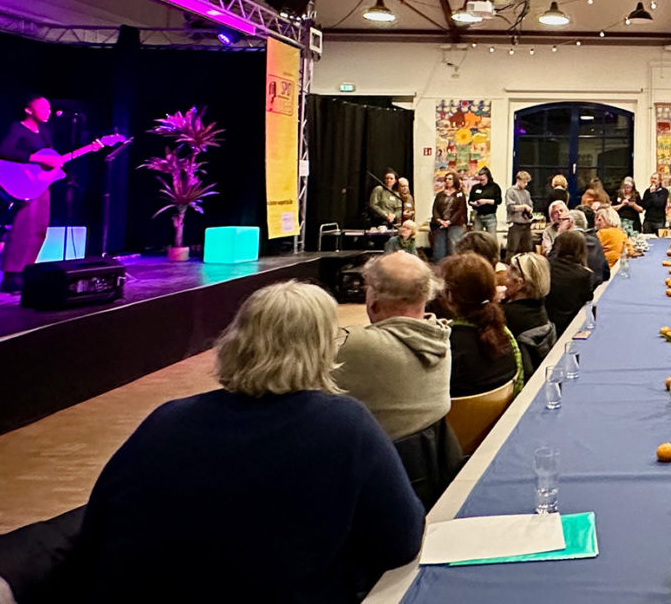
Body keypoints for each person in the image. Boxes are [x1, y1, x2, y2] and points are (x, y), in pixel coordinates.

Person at [76, 281, 425, 601]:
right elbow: (402, 541)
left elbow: (95, 535)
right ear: (322, 350)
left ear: (236, 341)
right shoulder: (347, 425)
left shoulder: (164, 420)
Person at [334, 253, 450, 440]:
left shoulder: (355, 345)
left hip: (367, 462)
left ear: (373, 300)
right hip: (430, 460)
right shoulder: (441, 337)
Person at [0, 95, 97, 293]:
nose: (48, 112)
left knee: (40, 229)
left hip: (41, 184)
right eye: (42, 108)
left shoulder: (44, 131)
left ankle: (27, 270)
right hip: (24, 184)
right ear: (28, 110)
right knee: (23, 229)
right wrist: (34, 157)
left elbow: (52, 159)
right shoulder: (18, 128)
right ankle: (11, 275)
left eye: (48, 108)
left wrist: (91, 148)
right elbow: (6, 150)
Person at [439, 253, 522, 397]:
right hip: (505, 414)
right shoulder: (505, 336)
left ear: (449, 295)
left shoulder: (445, 345)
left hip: (458, 418)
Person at [546, 231, 594, 336]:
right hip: (568, 324)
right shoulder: (584, 275)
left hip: (546, 322)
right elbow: (588, 298)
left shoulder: (546, 266)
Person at [568, 209, 609, 288]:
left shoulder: (565, 241)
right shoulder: (595, 240)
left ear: (570, 222)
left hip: (578, 290)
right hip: (598, 285)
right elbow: (606, 272)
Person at [432, 172, 467, 262]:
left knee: (453, 246)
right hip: (440, 224)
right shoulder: (440, 194)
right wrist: (439, 220)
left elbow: (460, 210)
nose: (447, 181)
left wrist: (449, 221)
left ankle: (454, 267)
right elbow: (435, 209)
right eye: (446, 179)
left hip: (455, 224)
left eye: (450, 179)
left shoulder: (460, 194)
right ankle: (439, 268)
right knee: (439, 248)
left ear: (455, 180)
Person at [506, 171, 534, 258]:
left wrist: (529, 210)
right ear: (518, 180)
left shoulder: (526, 193)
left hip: (526, 223)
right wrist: (523, 207)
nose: (525, 184)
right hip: (515, 224)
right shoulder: (511, 192)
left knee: (528, 248)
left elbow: (530, 206)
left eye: (527, 182)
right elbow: (510, 207)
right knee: (512, 248)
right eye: (524, 182)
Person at [468, 167, 502, 237]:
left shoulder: (494, 187)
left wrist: (486, 201)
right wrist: (474, 204)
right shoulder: (475, 187)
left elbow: (498, 201)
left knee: (491, 237)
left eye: (483, 180)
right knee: (476, 237)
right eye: (479, 180)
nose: (481, 182)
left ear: (488, 178)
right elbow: (470, 201)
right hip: (478, 215)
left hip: (490, 216)